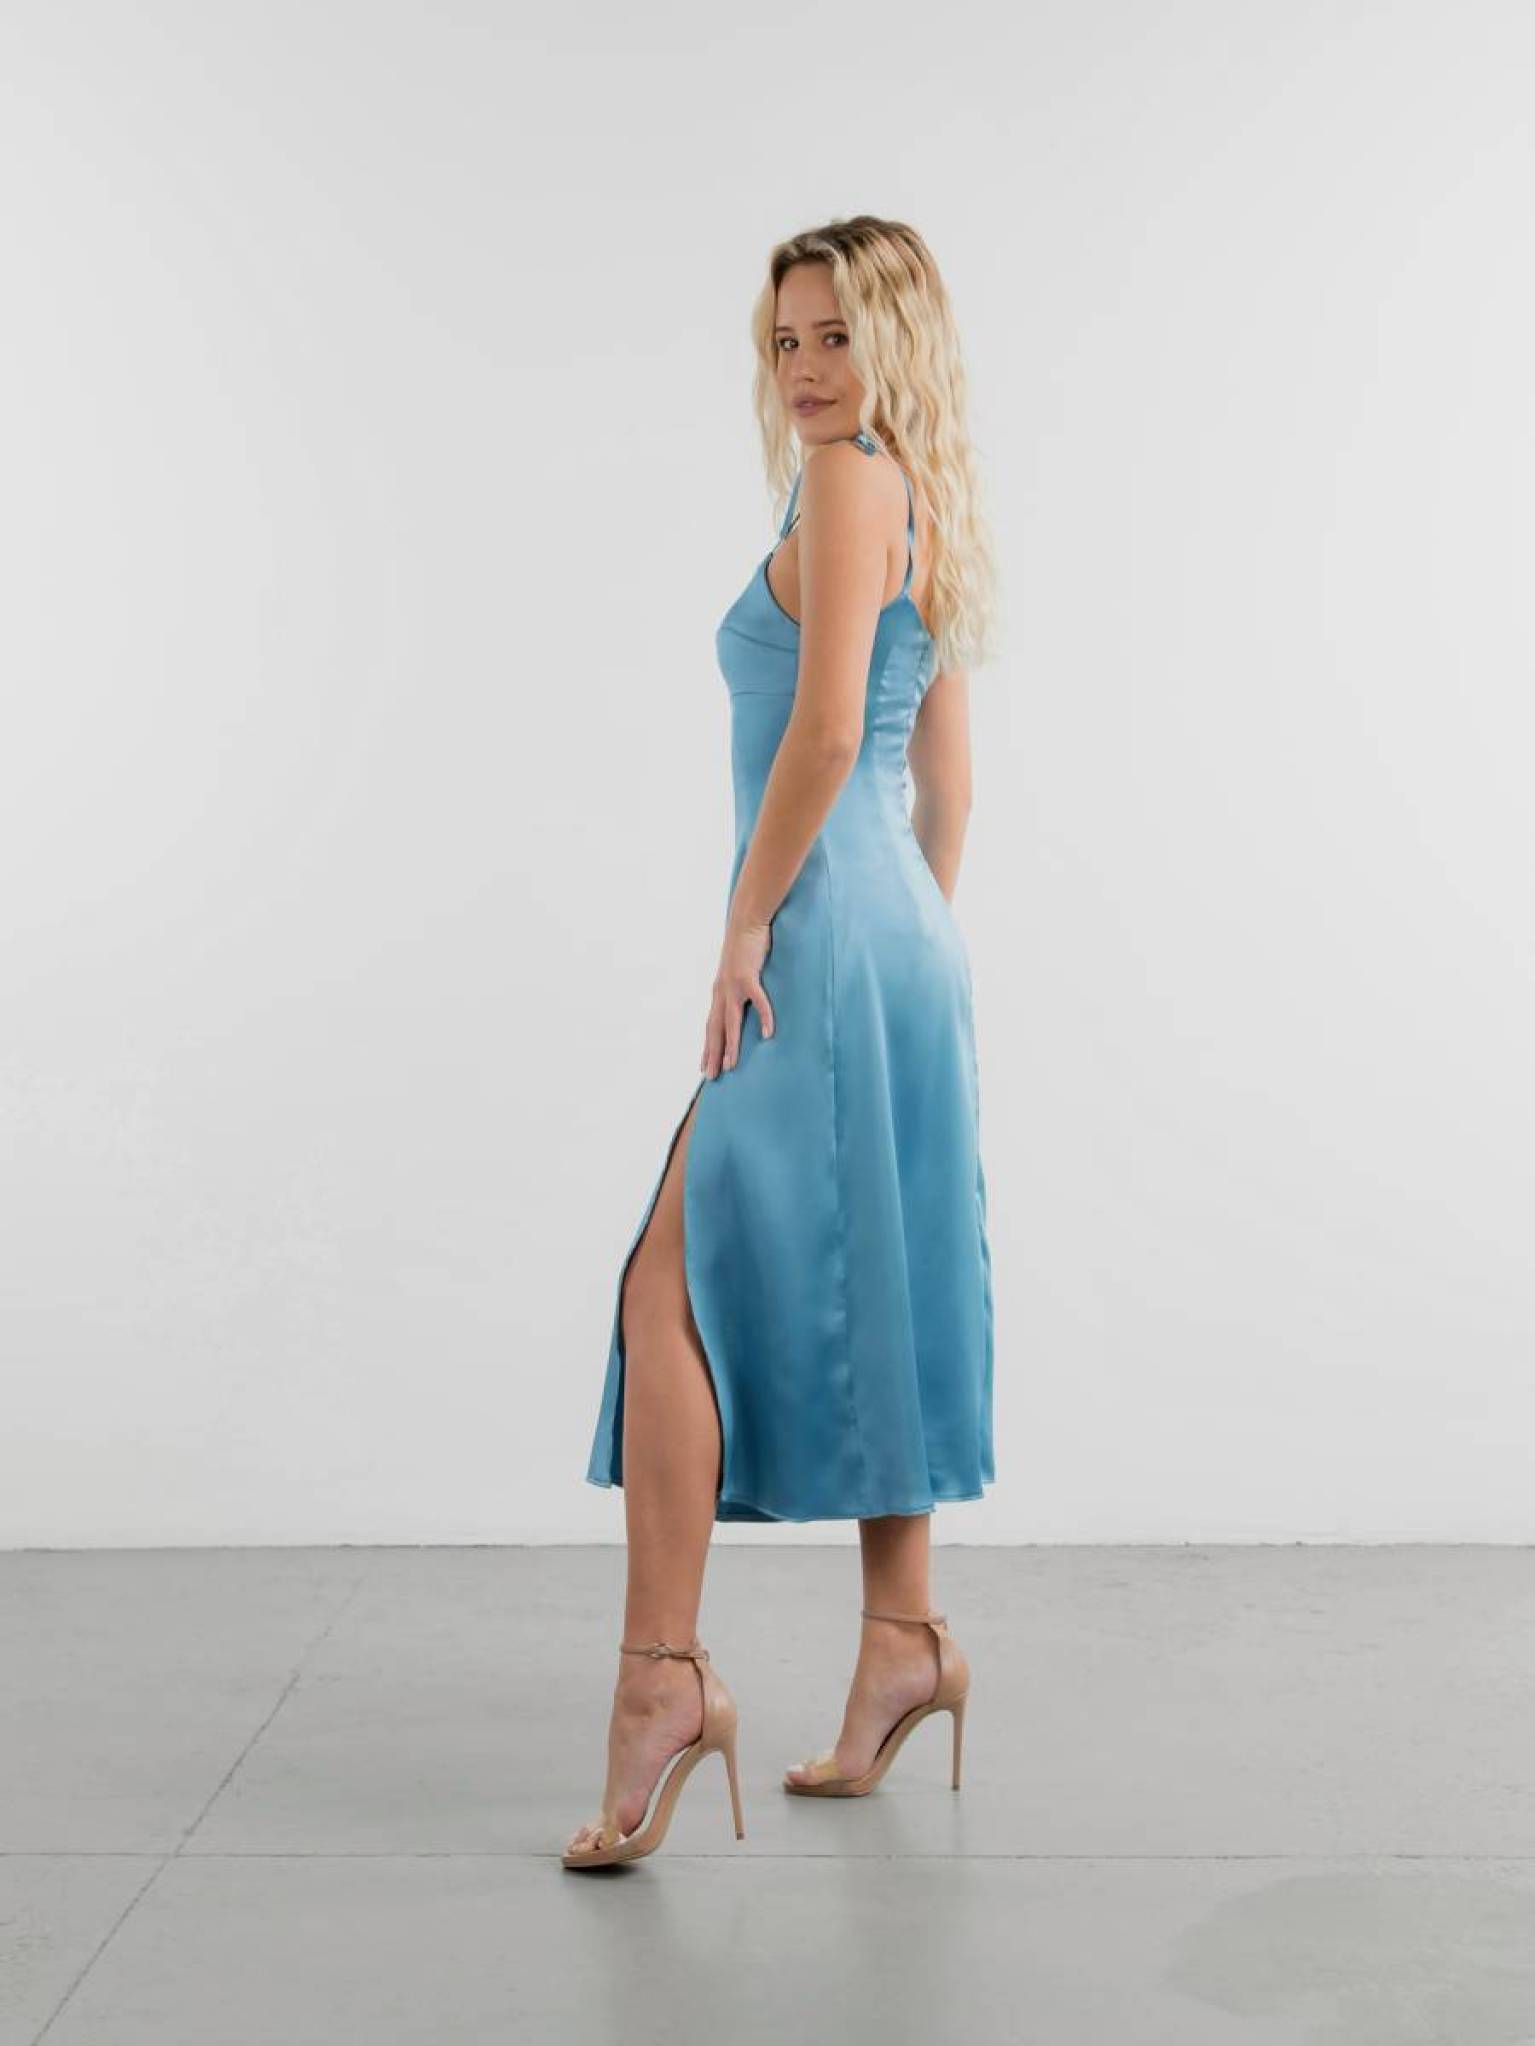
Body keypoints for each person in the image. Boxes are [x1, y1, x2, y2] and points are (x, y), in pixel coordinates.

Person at [564, 215, 999, 1869]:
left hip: (819, 931)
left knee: (664, 1284)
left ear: (892, 339)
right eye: (784, 341)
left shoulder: (842, 483)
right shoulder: (922, 491)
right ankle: (906, 1639)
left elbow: (824, 735)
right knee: (881, 1273)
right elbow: (944, 784)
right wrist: (902, 947)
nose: (805, 369)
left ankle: (662, 1682)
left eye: (833, 336)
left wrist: (757, 923)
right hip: (902, 939)